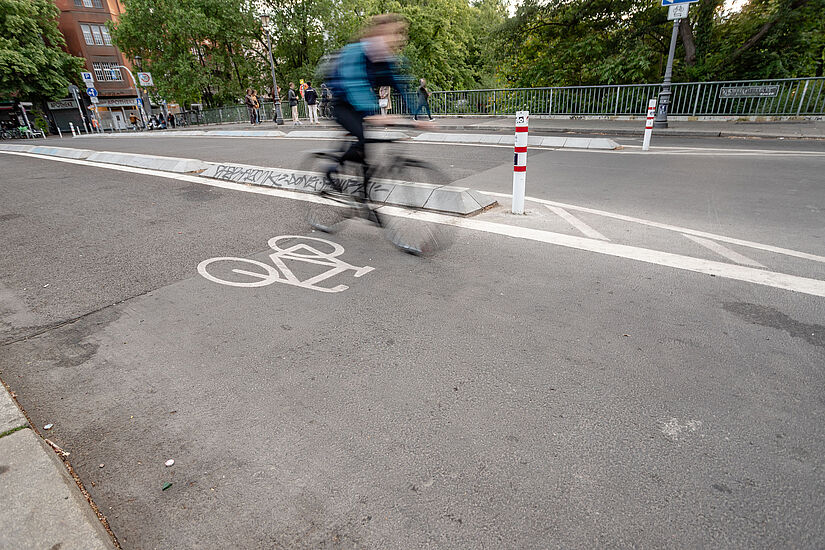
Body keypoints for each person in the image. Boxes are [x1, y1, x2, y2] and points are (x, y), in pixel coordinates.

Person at [326, 13, 425, 189]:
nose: (397, 38)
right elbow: (353, 84)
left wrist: (417, 118)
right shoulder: (357, 52)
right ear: (379, 32)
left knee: (366, 156)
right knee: (361, 138)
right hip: (342, 104)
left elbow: (399, 87)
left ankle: (364, 196)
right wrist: (372, 115)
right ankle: (333, 170)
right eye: (393, 33)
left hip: (359, 106)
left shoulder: (384, 60)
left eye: (399, 34)